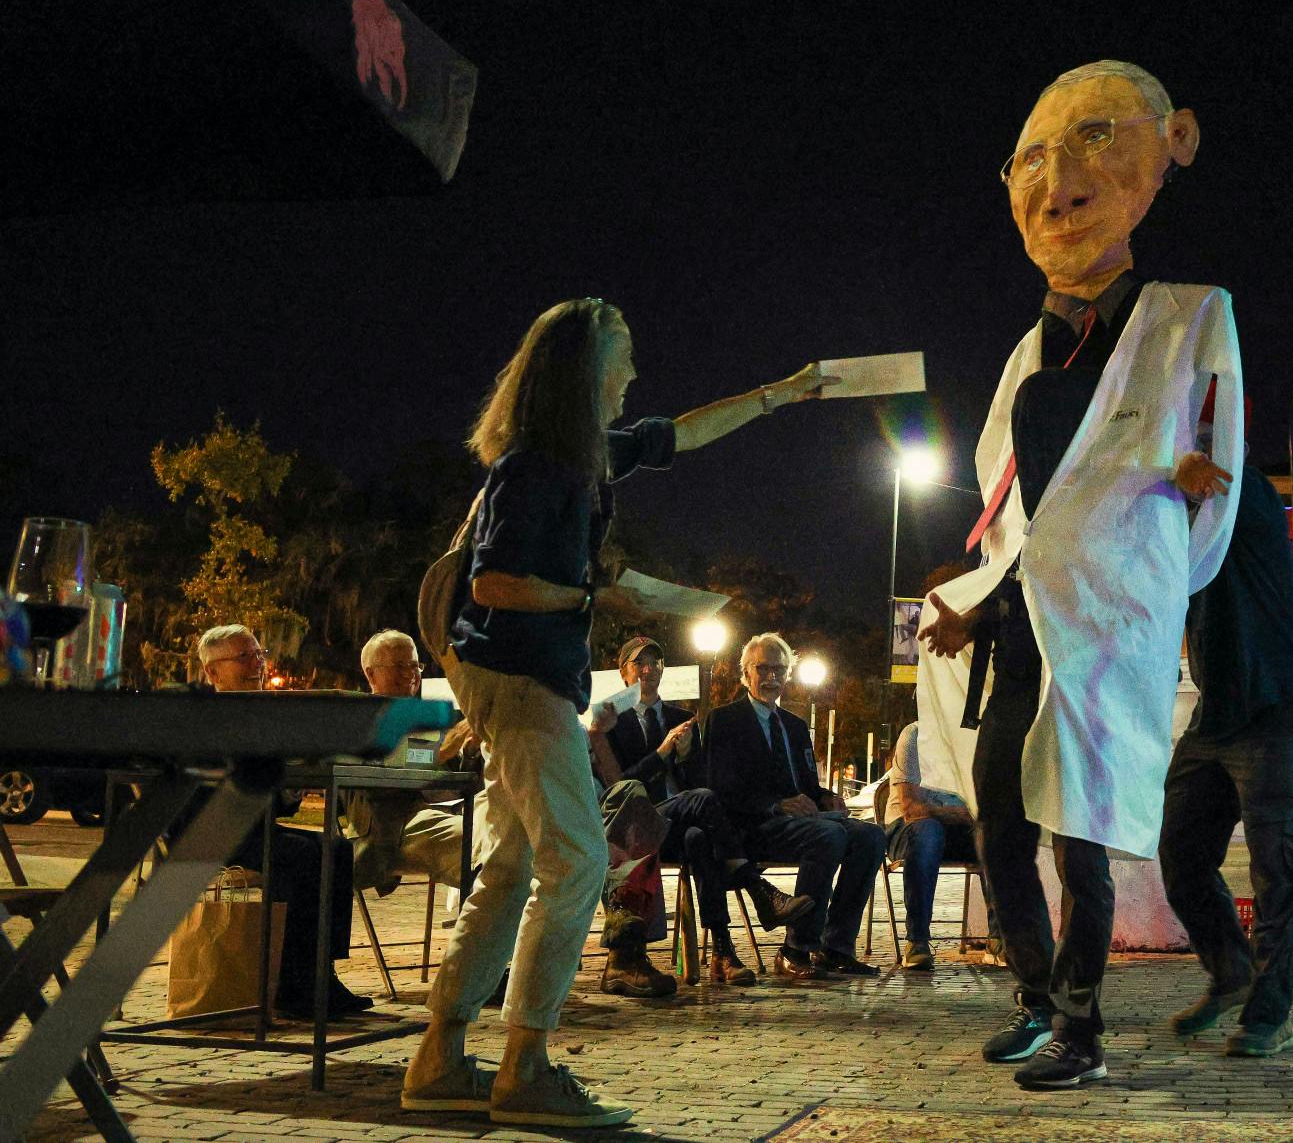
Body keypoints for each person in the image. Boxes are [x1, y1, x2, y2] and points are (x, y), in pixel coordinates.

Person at [402, 297, 830, 1127]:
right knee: (577, 860)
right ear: (586, 370)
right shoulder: (538, 466)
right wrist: (600, 594)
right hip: (522, 683)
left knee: (512, 868)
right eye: (623, 356)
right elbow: (493, 583)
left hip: (522, 683)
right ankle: (525, 1066)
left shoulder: (584, 456)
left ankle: (439, 1057)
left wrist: (779, 393)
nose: (634, 373)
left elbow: (683, 434)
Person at [915, 60, 1244, 1091]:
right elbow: (1011, 515)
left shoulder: (1191, 316)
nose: (1057, 182)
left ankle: (1080, 1023)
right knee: (1002, 830)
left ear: (1172, 144)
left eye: (1096, 137)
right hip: (1020, 637)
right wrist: (979, 608)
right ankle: (1032, 995)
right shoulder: (1025, 352)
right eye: (1029, 160)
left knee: (1081, 835)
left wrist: (1143, 577)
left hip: (1104, 629)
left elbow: (1214, 504)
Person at [1160, 465, 1293, 1058]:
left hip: (1281, 706)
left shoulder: (1245, 490)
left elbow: (1226, 482)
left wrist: (1194, 472)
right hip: (1217, 715)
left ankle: (1269, 1015)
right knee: (1180, 854)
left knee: (1278, 871)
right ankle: (1232, 971)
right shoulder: (1172, 520)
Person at [588, 634, 811, 990]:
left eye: (655, 663)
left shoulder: (682, 718)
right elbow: (620, 790)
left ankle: (723, 952)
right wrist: (661, 754)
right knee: (702, 802)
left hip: (679, 823)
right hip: (638, 826)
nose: (648, 670)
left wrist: (686, 756)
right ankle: (755, 889)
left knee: (699, 837)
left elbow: (700, 783)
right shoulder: (612, 722)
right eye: (639, 664)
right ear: (624, 672)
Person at [193, 624, 370, 1020]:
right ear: (212, 672)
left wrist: (292, 786)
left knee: (337, 849)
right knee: (303, 857)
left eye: (259, 654)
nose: (257, 664)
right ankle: (294, 984)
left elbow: (272, 801)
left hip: (253, 831)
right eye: (244, 657)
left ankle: (321, 972)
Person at [695, 632, 886, 979]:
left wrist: (826, 797)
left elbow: (807, 786)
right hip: (753, 826)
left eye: (779, 670)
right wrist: (776, 805)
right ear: (746, 673)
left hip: (800, 822)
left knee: (871, 836)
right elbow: (718, 788)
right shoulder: (724, 720)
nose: (771, 677)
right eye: (763, 669)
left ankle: (836, 947)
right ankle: (796, 948)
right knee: (828, 836)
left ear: (788, 674)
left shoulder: (795, 726)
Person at [347, 629, 470, 895]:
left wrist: (470, 751)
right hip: (394, 824)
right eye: (399, 666)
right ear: (370, 674)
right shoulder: (357, 721)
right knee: (479, 845)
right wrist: (436, 756)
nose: (410, 674)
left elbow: (464, 777)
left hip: (450, 812)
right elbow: (374, 778)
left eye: (415, 666)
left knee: (511, 835)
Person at [882, 719, 978, 971]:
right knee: (928, 831)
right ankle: (917, 940)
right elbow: (911, 809)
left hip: (955, 827)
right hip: (908, 830)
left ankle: (1002, 938)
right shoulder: (915, 735)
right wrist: (958, 813)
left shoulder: (971, 738)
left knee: (996, 836)